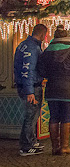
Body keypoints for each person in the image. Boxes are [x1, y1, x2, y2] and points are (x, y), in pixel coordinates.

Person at [37, 27, 70, 155]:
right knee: (66, 118)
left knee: (53, 118)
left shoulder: (46, 52)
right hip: (69, 90)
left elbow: (41, 71)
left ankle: (54, 147)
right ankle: (64, 146)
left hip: (52, 89)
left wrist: (50, 76)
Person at [13, 24, 48, 156]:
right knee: (31, 116)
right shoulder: (32, 48)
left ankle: (30, 141)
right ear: (43, 35)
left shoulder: (23, 45)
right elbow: (28, 70)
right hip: (31, 87)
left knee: (31, 115)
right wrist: (30, 91)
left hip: (24, 85)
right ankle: (27, 146)